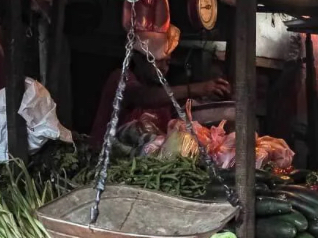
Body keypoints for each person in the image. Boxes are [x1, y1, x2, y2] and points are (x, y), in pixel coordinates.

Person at [88, 26, 231, 149]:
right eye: (158, 62)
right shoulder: (121, 78)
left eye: (167, 63)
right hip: (108, 160)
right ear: (138, 59)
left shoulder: (162, 98)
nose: (163, 68)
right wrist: (198, 88)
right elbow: (143, 97)